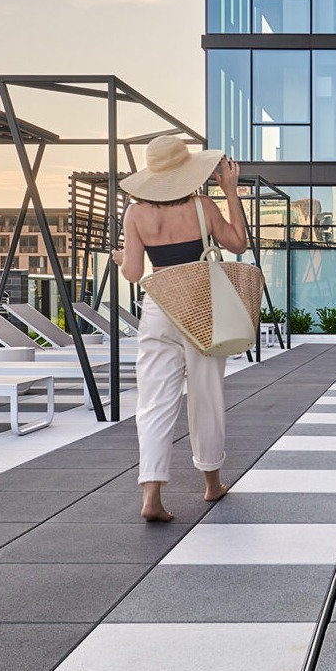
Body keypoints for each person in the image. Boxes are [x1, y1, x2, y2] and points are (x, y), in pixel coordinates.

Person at [112, 135, 248, 522]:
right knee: (206, 396)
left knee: (154, 402)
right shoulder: (203, 207)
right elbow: (238, 243)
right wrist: (230, 193)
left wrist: (122, 258)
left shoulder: (136, 214)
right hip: (202, 309)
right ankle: (211, 483)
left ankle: (151, 494)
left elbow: (135, 273)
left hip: (159, 308)